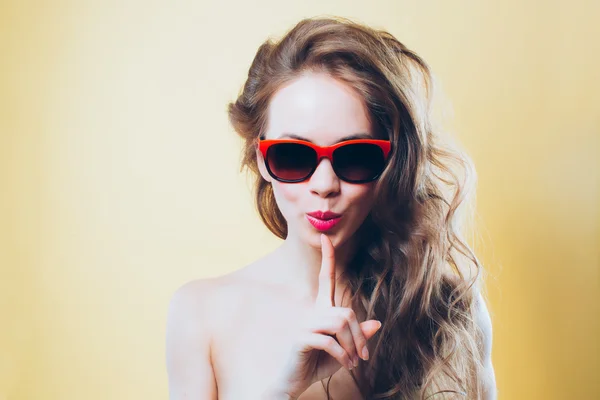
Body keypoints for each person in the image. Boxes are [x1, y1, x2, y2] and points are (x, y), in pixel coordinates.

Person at [166, 16, 497, 400]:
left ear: (391, 164)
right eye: (292, 156)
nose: (324, 186)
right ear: (261, 159)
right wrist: (282, 389)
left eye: (356, 157)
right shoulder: (200, 313)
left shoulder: (445, 309)